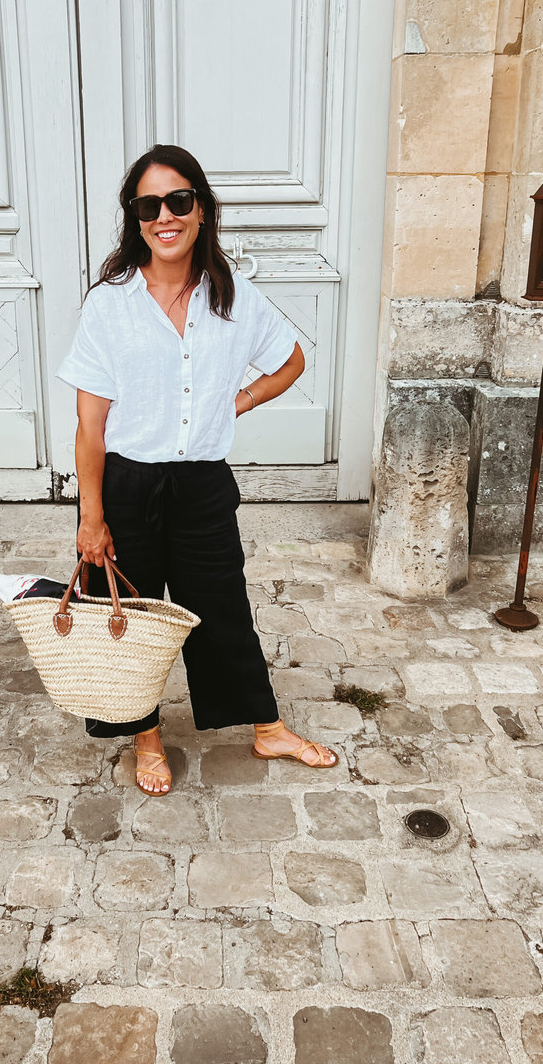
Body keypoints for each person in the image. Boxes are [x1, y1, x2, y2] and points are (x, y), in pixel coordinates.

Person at [56, 144, 337, 795]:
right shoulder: (110, 305)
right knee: (131, 613)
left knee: (223, 610)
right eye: (148, 205)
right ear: (136, 218)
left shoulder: (232, 298)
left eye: (178, 201)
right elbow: (90, 426)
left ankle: (266, 727)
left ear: (203, 210)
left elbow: (291, 360)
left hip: (203, 487)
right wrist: (91, 518)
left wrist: (237, 402)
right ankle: (146, 739)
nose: (165, 216)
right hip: (127, 485)